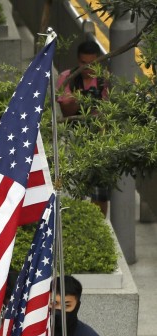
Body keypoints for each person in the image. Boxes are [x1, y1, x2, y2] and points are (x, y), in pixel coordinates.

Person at [56, 40, 111, 215]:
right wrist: (84, 100)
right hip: (75, 139)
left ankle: (98, 223)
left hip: (99, 139)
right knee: (75, 188)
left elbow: (108, 113)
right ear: (77, 61)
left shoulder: (105, 80)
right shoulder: (68, 78)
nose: (87, 68)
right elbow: (67, 111)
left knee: (100, 191)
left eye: (92, 63)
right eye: (83, 63)